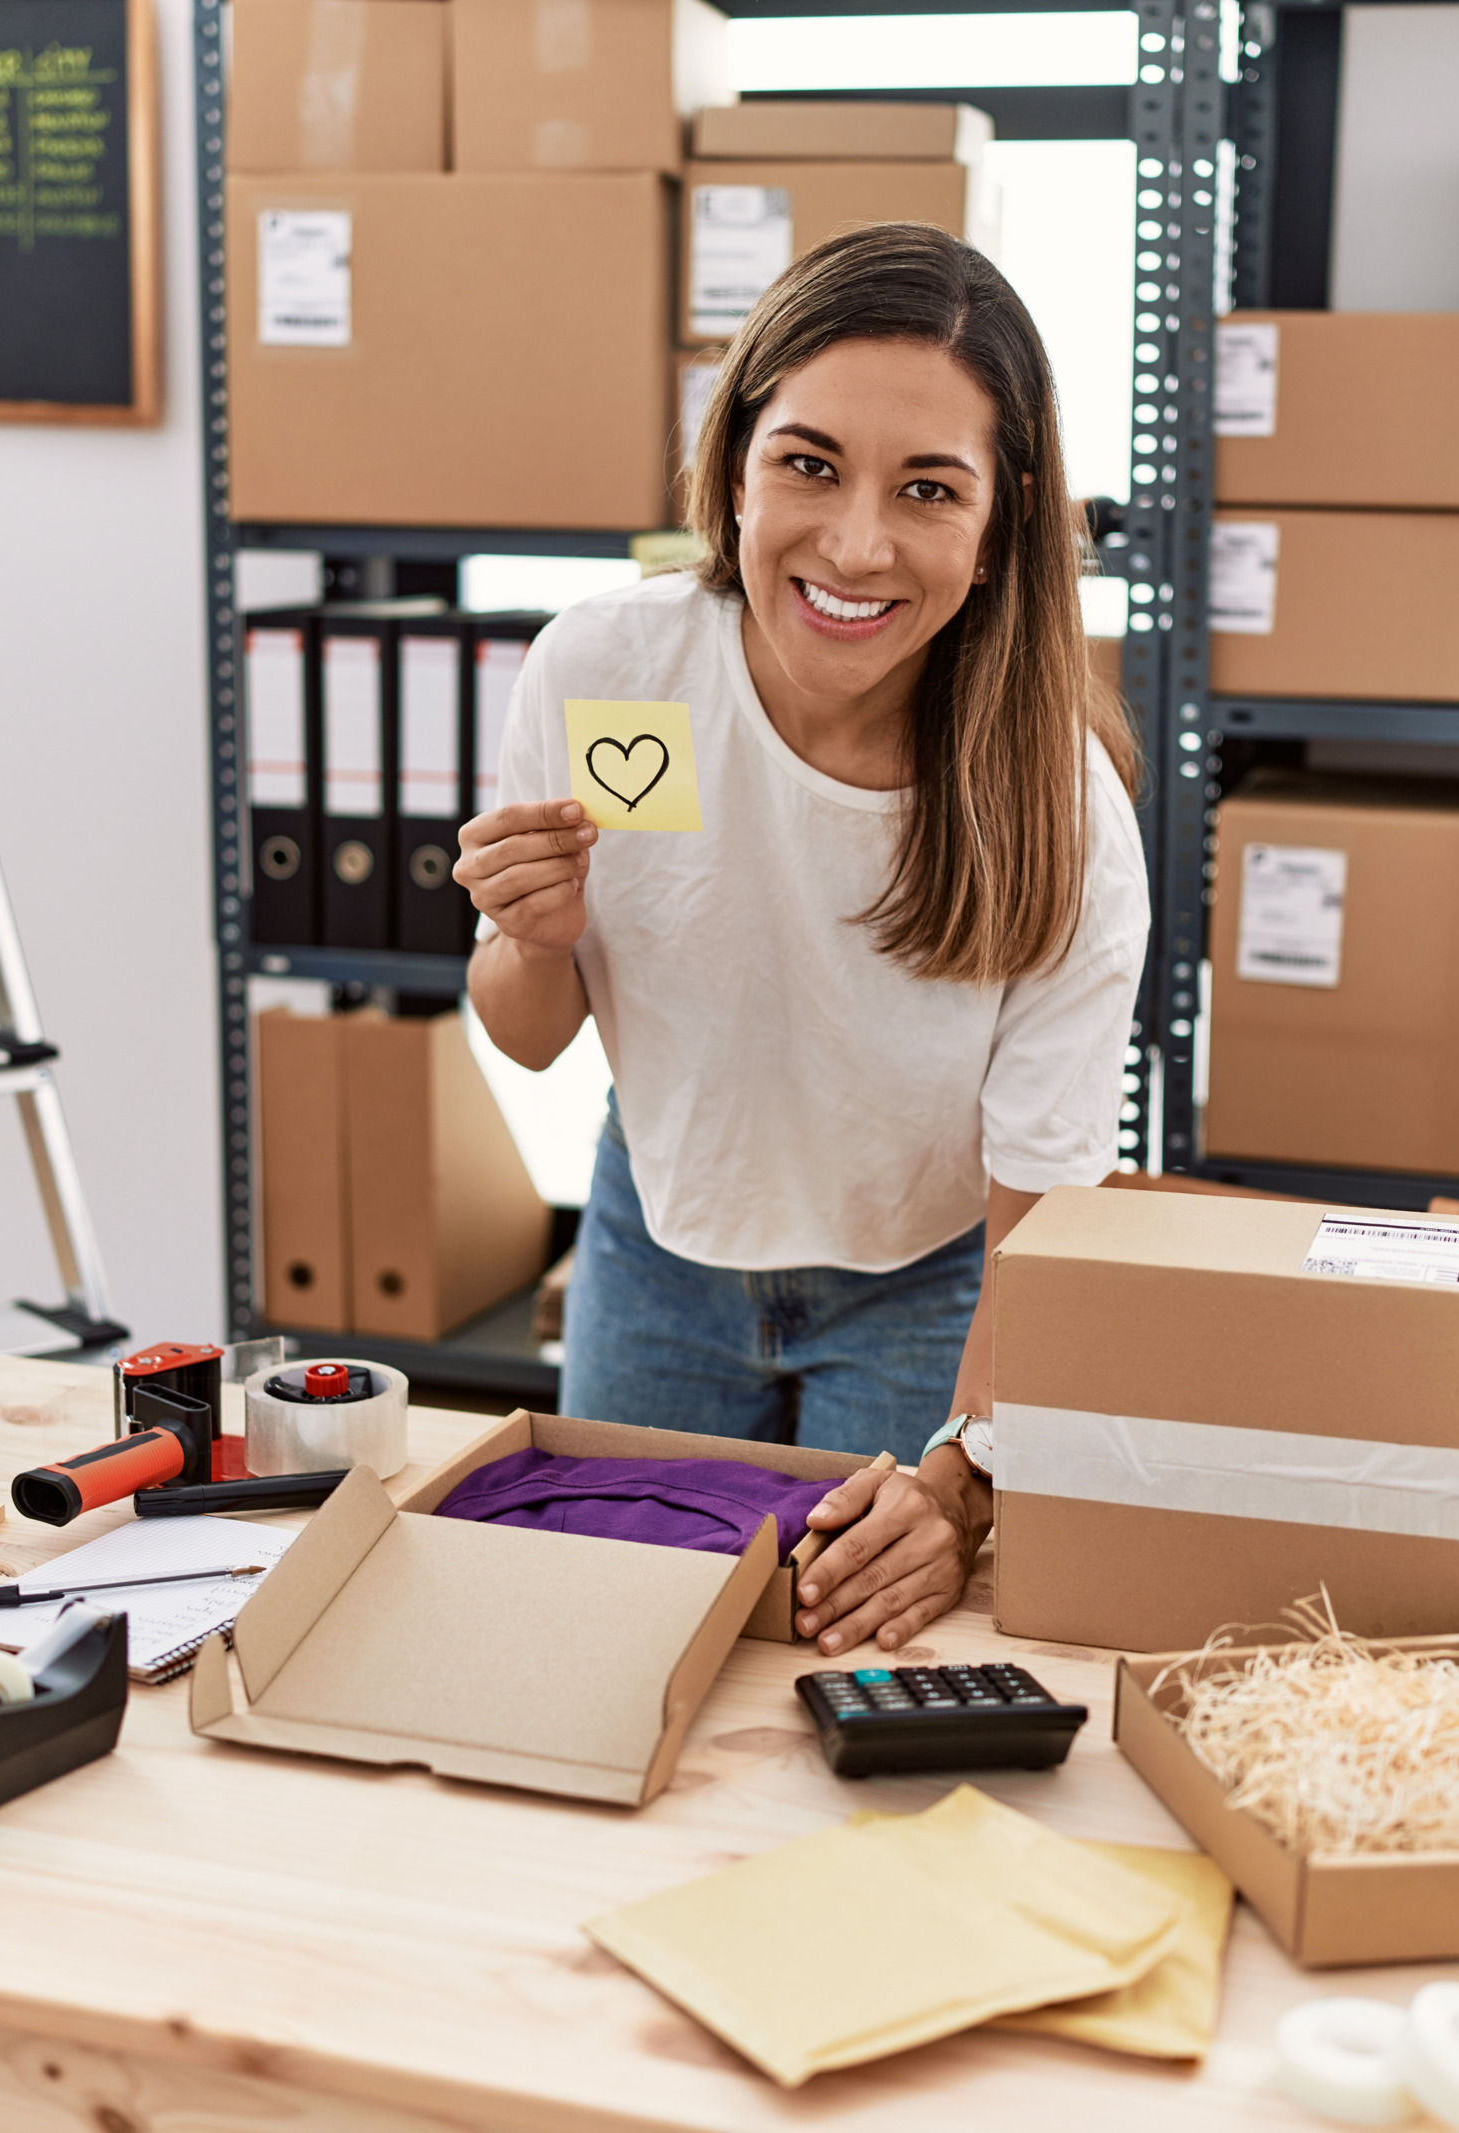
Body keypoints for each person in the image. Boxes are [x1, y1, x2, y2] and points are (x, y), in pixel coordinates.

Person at [452, 224, 1148, 1659]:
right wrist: (532, 937)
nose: (856, 544)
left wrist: (965, 1479)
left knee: (849, 1659)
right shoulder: (614, 673)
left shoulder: (1057, 812)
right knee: (613, 1646)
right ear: (738, 456)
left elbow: (1047, 1216)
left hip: (922, 1286)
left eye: (928, 489)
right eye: (810, 463)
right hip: (655, 1247)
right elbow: (528, 1033)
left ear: (1004, 518)